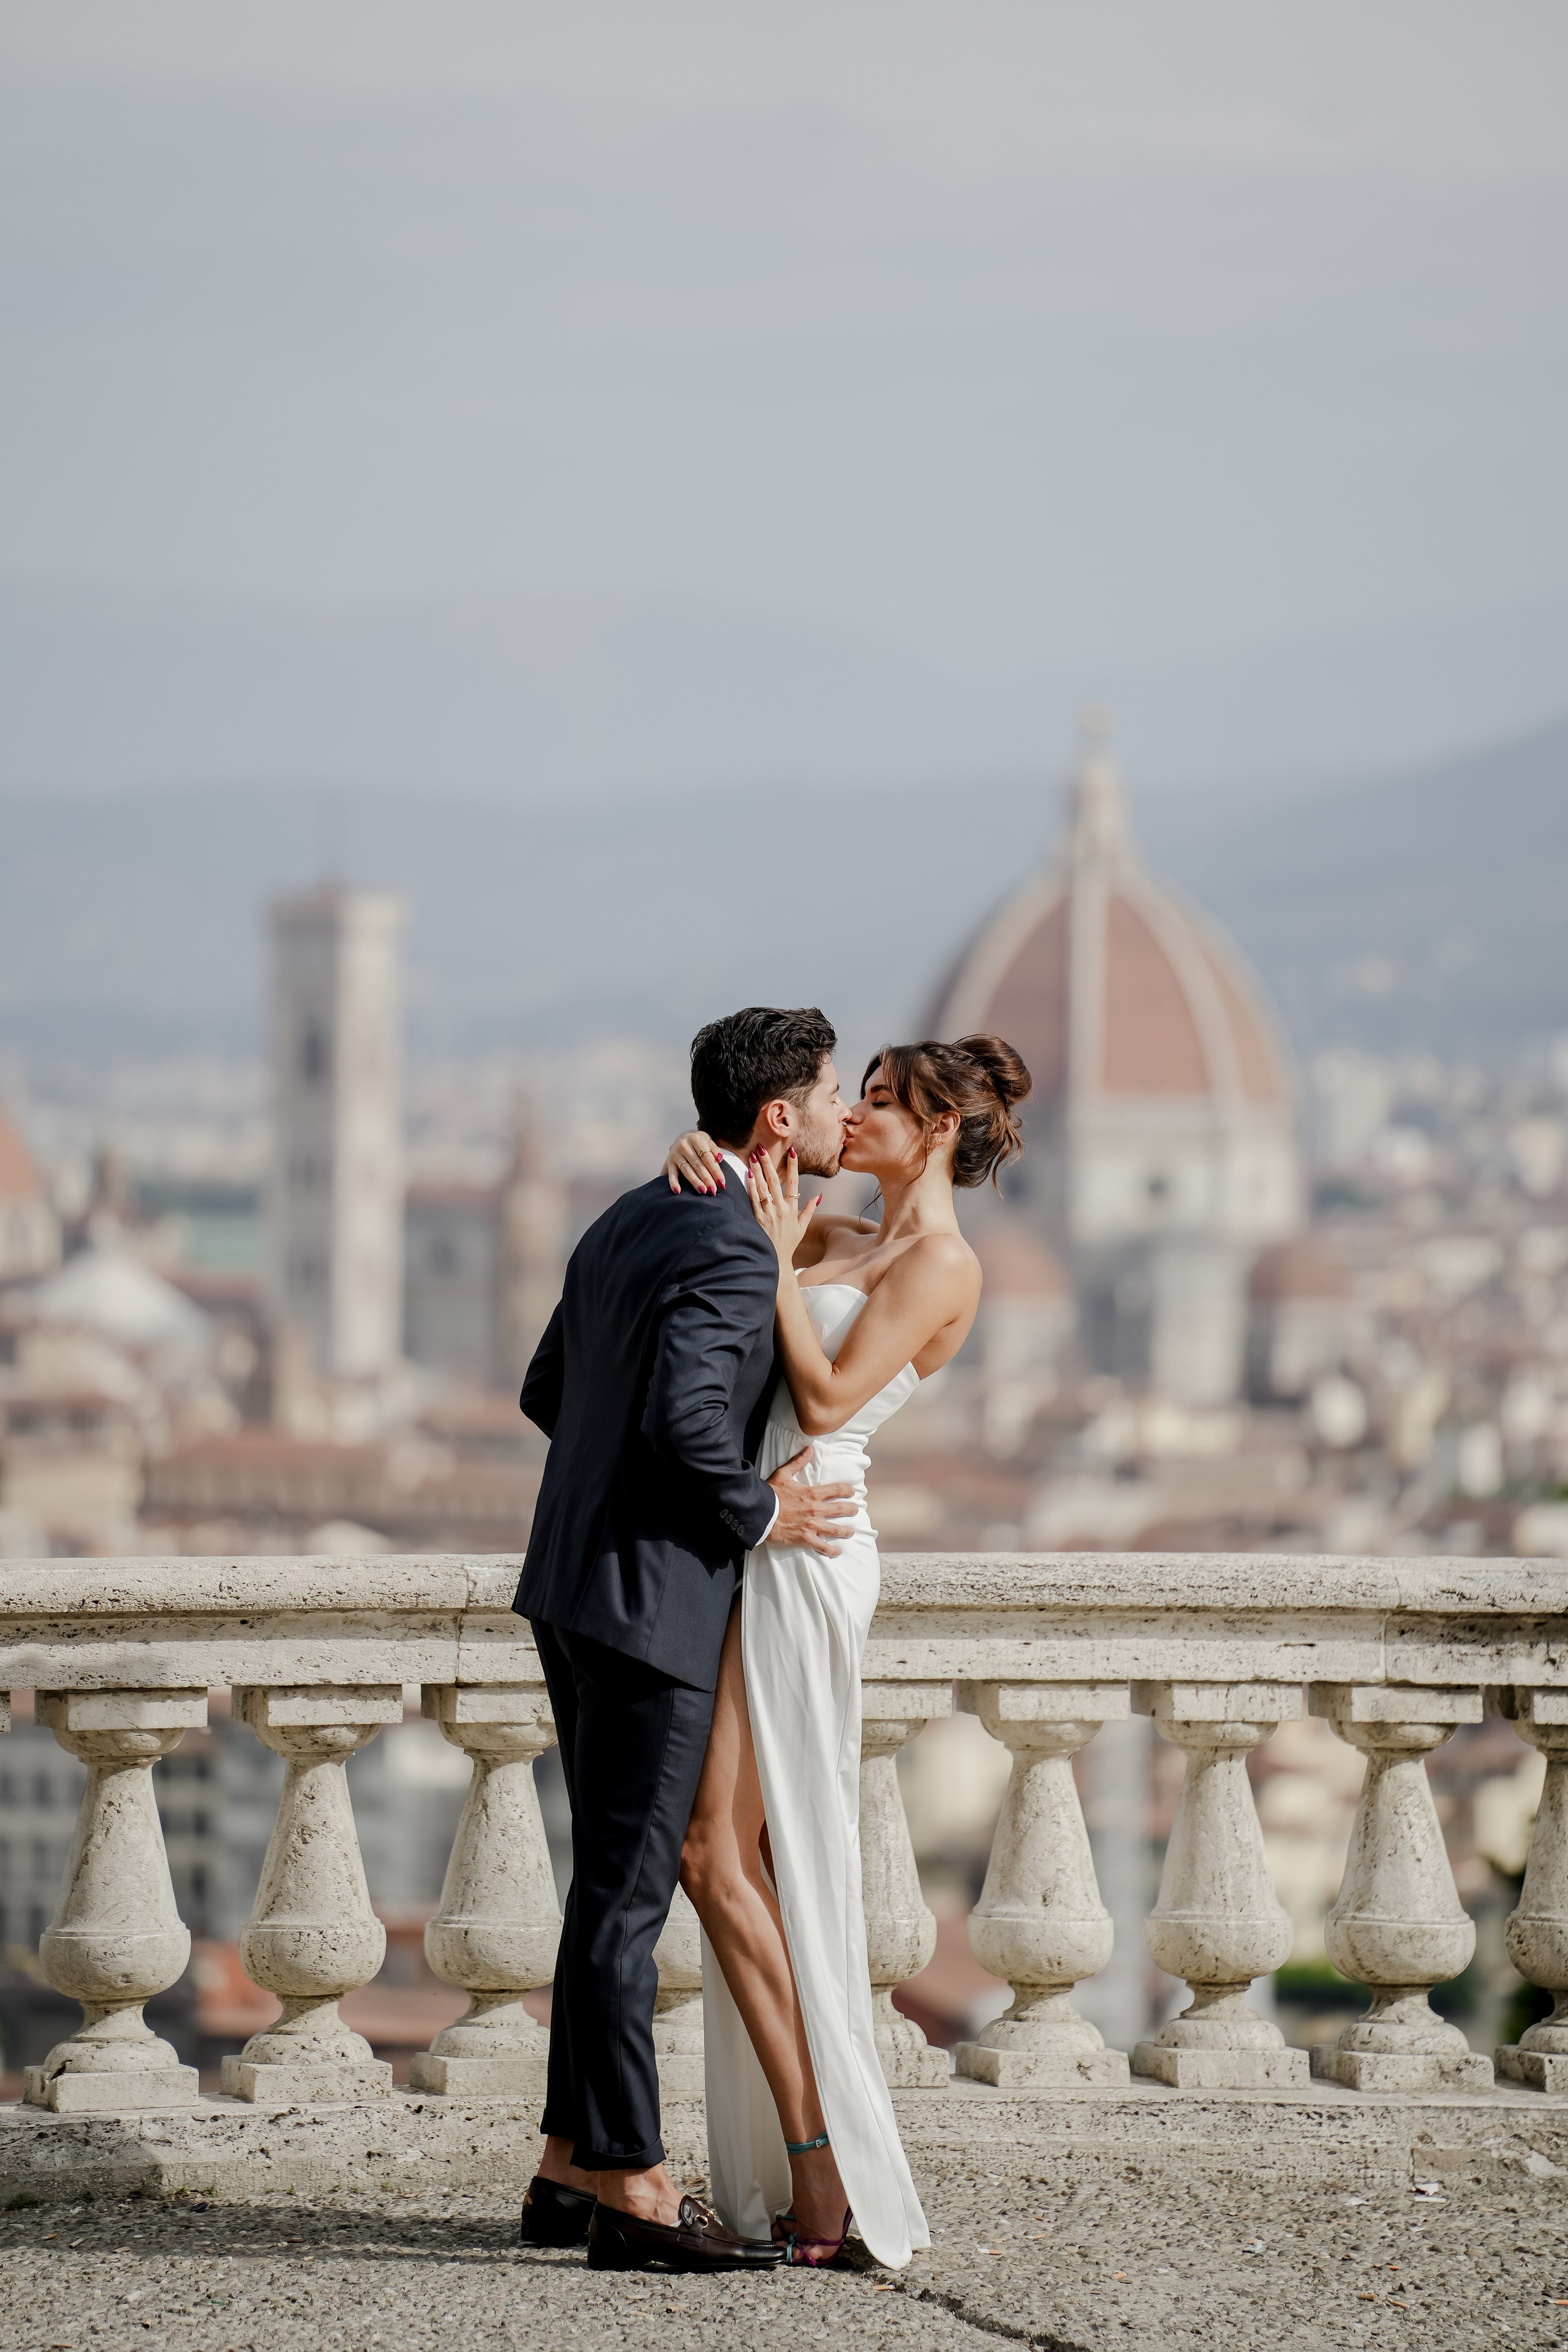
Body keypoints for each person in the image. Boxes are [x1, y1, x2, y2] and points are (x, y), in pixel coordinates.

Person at [666, 1033, 1031, 2268]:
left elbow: (822, 1399)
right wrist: (698, 1158)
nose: (857, 1116)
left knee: (735, 1849)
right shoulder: (839, 1234)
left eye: (882, 1103)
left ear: (937, 1133)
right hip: (759, 1532)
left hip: (814, 1543)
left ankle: (824, 2175)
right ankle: (803, 2166)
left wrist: (775, 1260)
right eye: (856, 1095)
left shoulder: (939, 1263)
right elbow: (728, 1240)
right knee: (724, 1849)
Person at [512, 1006, 859, 2275]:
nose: (842, 1114)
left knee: (604, 1886)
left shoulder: (630, 1214)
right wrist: (759, 1509)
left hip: (569, 1584)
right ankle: (637, 2196)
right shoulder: (724, 1239)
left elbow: (547, 1391)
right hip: (653, 1601)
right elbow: (682, 1418)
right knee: (624, 1902)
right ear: (778, 1116)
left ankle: (565, 2169)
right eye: (829, 1093)